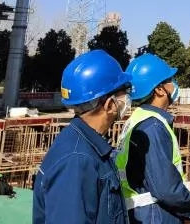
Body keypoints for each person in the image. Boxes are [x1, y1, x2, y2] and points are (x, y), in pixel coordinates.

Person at [33, 50, 132, 224]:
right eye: (124, 92)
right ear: (109, 104)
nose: (128, 98)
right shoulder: (77, 161)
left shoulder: (87, 145)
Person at [115, 53, 190, 223]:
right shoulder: (153, 127)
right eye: (170, 80)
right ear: (159, 89)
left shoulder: (138, 119)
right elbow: (167, 189)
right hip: (156, 215)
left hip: (142, 213)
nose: (175, 85)